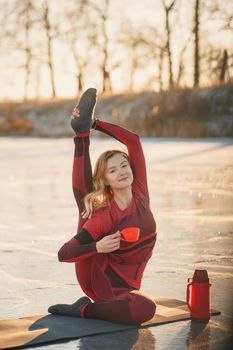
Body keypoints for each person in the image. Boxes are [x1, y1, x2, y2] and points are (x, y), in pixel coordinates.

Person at [48, 88, 157, 324]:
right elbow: (63, 254)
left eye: (124, 166)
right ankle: (83, 309)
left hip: (127, 286)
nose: (122, 172)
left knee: (139, 305)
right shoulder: (104, 215)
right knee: (145, 309)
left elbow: (134, 142)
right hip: (100, 280)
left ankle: (83, 131)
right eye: (112, 170)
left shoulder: (140, 193)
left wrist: (96, 123)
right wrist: (97, 247)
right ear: (105, 179)